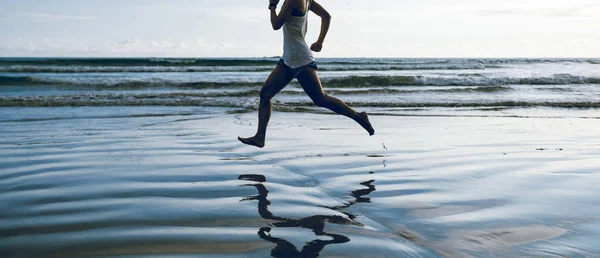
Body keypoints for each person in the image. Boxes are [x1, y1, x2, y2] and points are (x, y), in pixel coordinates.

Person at [238, 0, 374, 148]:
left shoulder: (293, 1)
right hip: (288, 59)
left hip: (301, 59)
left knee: (321, 99)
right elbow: (326, 17)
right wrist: (320, 42)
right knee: (265, 94)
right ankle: (260, 137)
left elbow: (276, 25)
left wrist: (272, 6)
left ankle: (359, 117)